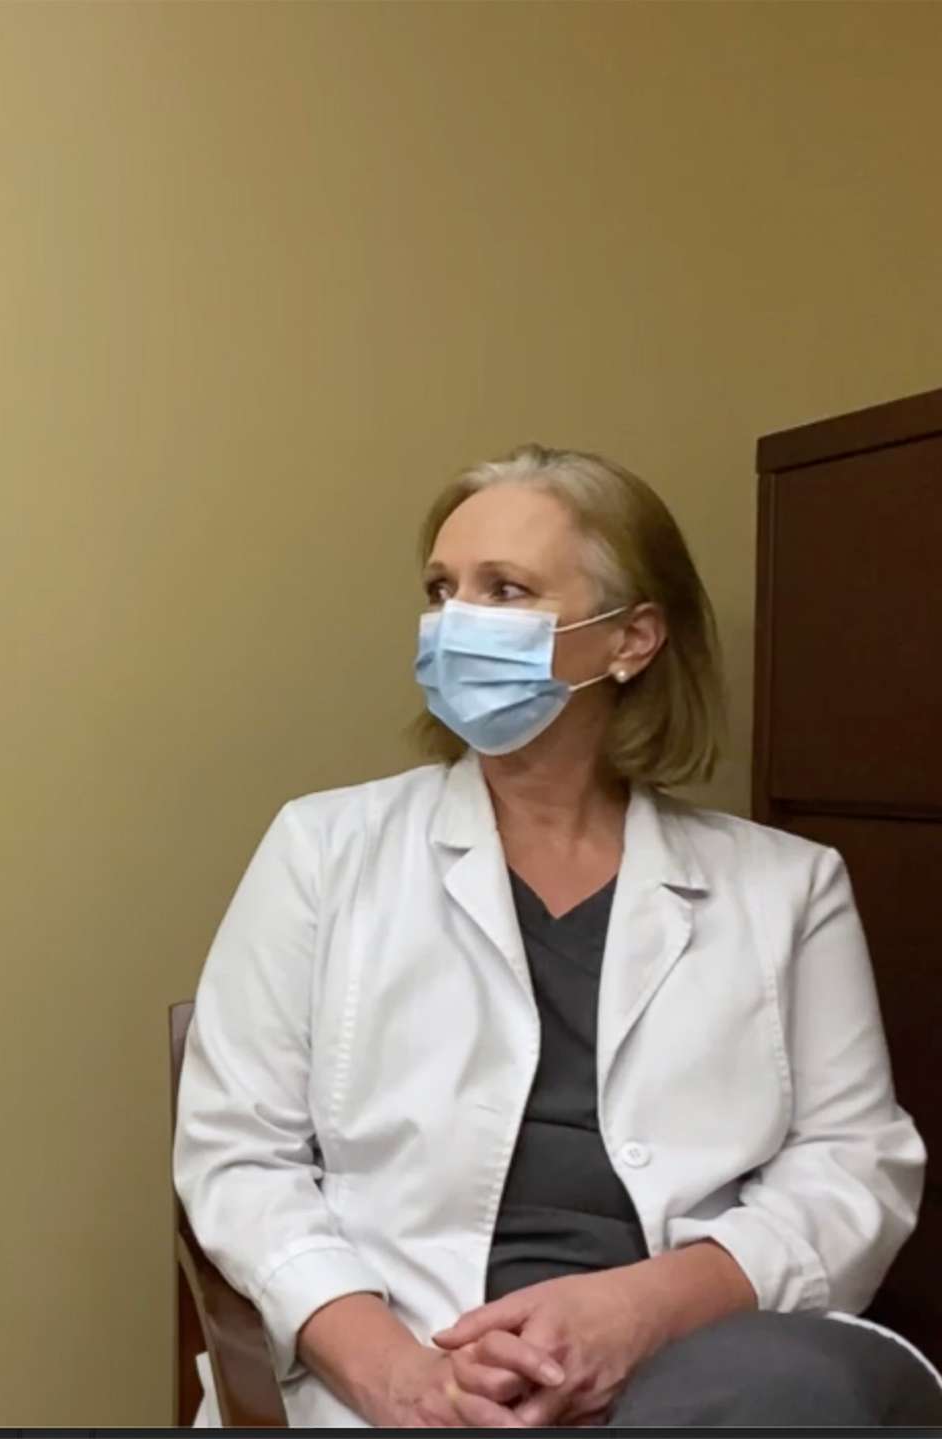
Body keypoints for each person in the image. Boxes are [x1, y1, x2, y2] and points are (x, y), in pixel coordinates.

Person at [173, 444, 938, 1426]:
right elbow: (236, 1155)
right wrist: (395, 1373)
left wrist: (645, 1305)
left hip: (693, 1362)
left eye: (506, 589)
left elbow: (854, 1164)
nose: (457, 625)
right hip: (413, 1352)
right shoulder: (324, 847)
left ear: (632, 639)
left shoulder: (786, 887)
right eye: (442, 589)